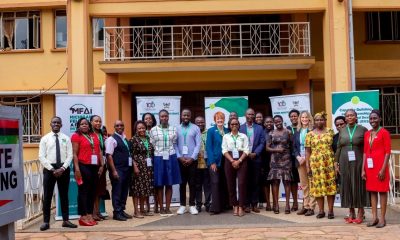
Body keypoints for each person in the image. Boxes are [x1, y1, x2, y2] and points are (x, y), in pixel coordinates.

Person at [38, 116, 77, 231]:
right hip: (50, 169)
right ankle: (46, 222)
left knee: (64, 195)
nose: (56, 124)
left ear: (61, 125)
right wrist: (52, 169)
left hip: (63, 169)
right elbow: (41, 156)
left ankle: (65, 220)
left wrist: (63, 168)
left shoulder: (66, 138)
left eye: (58, 122)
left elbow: (70, 155)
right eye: (54, 122)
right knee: (47, 196)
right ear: (50, 124)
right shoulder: (45, 139)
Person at [335, 109, 369, 224]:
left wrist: (366, 163)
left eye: (352, 115)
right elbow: (339, 147)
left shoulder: (362, 129)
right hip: (344, 161)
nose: (350, 117)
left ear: (356, 117)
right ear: (345, 118)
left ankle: (361, 212)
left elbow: (367, 147)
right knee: (347, 184)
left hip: (358, 160)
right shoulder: (342, 131)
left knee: (358, 184)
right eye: (348, 116)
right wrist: (336, 163)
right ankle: (351, 212)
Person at [72, 118, 104, 226]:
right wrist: (77, 169)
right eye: (82, 124)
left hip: (94, 166)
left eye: (86, 124)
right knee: (83, 191)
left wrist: (101, 165)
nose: (84, 125)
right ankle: (83, 216)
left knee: (92, 191)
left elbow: (99, 150)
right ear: (78, 126)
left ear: (89, 125)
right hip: (82, 166)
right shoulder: (76, 136)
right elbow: (74, 154)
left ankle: (90, 214)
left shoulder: (94, 135)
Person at [362, 110, 391, 228]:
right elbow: (364, 152)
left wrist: (383, 169)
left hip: (381, 167)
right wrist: (362, 169)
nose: (372, 120)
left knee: (382, 191)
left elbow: (387, 152)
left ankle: (382, 219)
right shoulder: (367, 134)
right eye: (371, 119)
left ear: (380, 119)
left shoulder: (384, 133)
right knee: (372, 191)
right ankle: (374, 218)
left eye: (375, 118)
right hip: (370, 168)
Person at [150, 109, 181, 216]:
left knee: (169, 183)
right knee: (159, 184)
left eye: (166, 116)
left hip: (171, 157)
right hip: (158, 158)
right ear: (159, 117)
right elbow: (152, 145)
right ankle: (161, 208)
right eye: (162, 116)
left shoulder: (173, 129)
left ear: (168, 117)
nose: (164, 118)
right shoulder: (153, 130)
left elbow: (175, 143)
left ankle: (167, 208)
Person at [305, 112, 336, 219]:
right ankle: (321, 211)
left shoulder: (330, 131)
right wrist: (308, 166)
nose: (319, 122)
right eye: (317, 120)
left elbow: (335, 147)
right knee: (318, 188)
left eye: (321, 119)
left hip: (329, 163)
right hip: (315, 164)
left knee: (330, 187)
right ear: (314, 121)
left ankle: (331, 211)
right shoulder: (309, 134)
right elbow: (308, 151)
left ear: (325, 120)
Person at [105, 120, 133, 221]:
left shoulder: (125, 138)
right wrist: (113, 171)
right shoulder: (111, 139)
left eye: (121, 125)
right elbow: (109, 156)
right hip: (118, 169)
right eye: (117, 125)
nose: (120, 127)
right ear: (114, 127)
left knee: (124, 191)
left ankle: (121, 210)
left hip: (126, 169)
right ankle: (117, 212)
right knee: (117, 191)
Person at [222, 118, 250, 217]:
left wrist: (239, 161)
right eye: (232, 124)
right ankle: (235, 205)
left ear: (239, 125)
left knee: (242, 183)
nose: (234, 125)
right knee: (231, 184)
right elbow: (224, 150)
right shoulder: (226, 136)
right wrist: (232, 161)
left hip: (242, 159)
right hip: (229, 160)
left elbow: (247, 150)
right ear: (229, 125)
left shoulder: (244, 136)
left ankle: (241, 206)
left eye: (236, 124)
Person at [239, 108, 265, 213]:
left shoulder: (259, 128)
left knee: (255, 182)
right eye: (248, 114)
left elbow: (262, 142)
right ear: (245, 115)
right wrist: (246, 153)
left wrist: (256, 153)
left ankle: (254, 204)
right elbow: (238, 142)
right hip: (244, 159)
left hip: (256, 158)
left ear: (254, 116)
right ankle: (246, 204)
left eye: (252, 114)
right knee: (245, 182)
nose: (250, 116)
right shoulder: (240, 128)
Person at [176, 109, 201, 215]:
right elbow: (174, 144)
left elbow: (198, 144)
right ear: (181, 116)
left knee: (192, 183)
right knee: (182, 183)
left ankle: (191, 205)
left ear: (190, 116)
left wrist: (192, 158)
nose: (186, 117)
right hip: (180, 160)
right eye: (184, 115)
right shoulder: (176, 128)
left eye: (188, 115)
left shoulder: (196, 128)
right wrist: (179, 157)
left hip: (192, 161)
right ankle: (182, 205)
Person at [266, 115, 292, 214]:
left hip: (286, 160)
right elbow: (267, 148)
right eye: (275, 122)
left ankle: (287, 205)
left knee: (287, 182)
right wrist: (277, 149)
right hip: (275, 161)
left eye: (279, 121)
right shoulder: (271, 133)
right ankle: (276, 205)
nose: (278, 123)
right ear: (274, 123)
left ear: (282, 120)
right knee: (275, 182)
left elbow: (292, 146)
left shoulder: (288, 132)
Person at [129, 121, 155, 218]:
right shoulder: (133, 140)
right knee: (137, 189)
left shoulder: (148, 139)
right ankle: (136, 211)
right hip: (138, 168)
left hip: (148, 168)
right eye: (139, 128)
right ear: (136, 129)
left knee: (145, 188)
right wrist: (134, 166)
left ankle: (143, 210)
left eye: (143, 128)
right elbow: (130, 155)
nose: (141, 130)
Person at [293, 111, 316, 216]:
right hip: (300, 161)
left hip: (311, 161)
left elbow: (315, 147)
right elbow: (294, 147)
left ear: (310, 118)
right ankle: (305, 206)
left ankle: (311, 207)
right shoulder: (297, 131)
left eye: (306, 117)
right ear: (300, 119)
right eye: (302, 117)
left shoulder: (313, 131)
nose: (304, 119)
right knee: (304, 185)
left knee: (312, 184)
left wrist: (307, 158)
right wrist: (298, 157)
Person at [206, 111, 229, 215]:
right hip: (215, 161)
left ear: (224, 120)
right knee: (215, 183)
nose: (220, 120)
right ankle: (215, 208)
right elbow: (209, 148)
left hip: (226, 161)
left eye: (221, 118)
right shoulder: (211, 131)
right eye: (217, 118)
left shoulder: (228, 131)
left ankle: (224, 205)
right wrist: (212, 162)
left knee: (224, 183)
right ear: (215, 120)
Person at [90, 115, 108, 221]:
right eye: (96, 121)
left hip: (102, 164)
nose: (98, 123)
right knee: (93, 189)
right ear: (91, 122)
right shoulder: (89, 134)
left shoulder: (101, 133)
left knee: (99, 189)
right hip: (92, 165)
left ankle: (97, 211)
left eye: (100, 121)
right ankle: (92, 212)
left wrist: (102, 165)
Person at [194, 116, 211, 213]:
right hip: (196, 163)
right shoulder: (193, 132)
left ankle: (208, 203)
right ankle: (198, 204)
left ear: (205, 122)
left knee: (207, 185)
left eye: (202, 122)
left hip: (207, 163)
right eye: (198, 122)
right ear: (195, 123)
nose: (200, 124)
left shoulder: (209, 132)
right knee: (197, 185)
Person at [142, 112, 158, 213]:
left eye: (150, 118)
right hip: (144, 162)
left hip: (156, 159)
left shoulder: (156, 131)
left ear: (153, 120)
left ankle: (157, 205)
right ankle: (147, 206)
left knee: (156, 183)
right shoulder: (141, 132)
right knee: (146, 183)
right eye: (146, 119)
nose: (148, 120)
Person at [287, 109, 300, 212]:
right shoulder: (287, 129)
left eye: (295, 116)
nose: (293, 118)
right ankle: (295, 202)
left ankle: (306, 204)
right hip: (290, 159)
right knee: (293, 181)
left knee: (304, 182)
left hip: (302, 158)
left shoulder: (303, 128)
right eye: (291, 116)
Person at [262, 116, 274, 211]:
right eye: (267, 122)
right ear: (264, 123)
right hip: (264, 160)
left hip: (275, 160)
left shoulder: (276, 132)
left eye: (271, 122)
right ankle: (268, 204)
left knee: (274, 182)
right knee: (266, 183)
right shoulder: (262, 133)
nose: (269, 123)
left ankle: (275, 203)